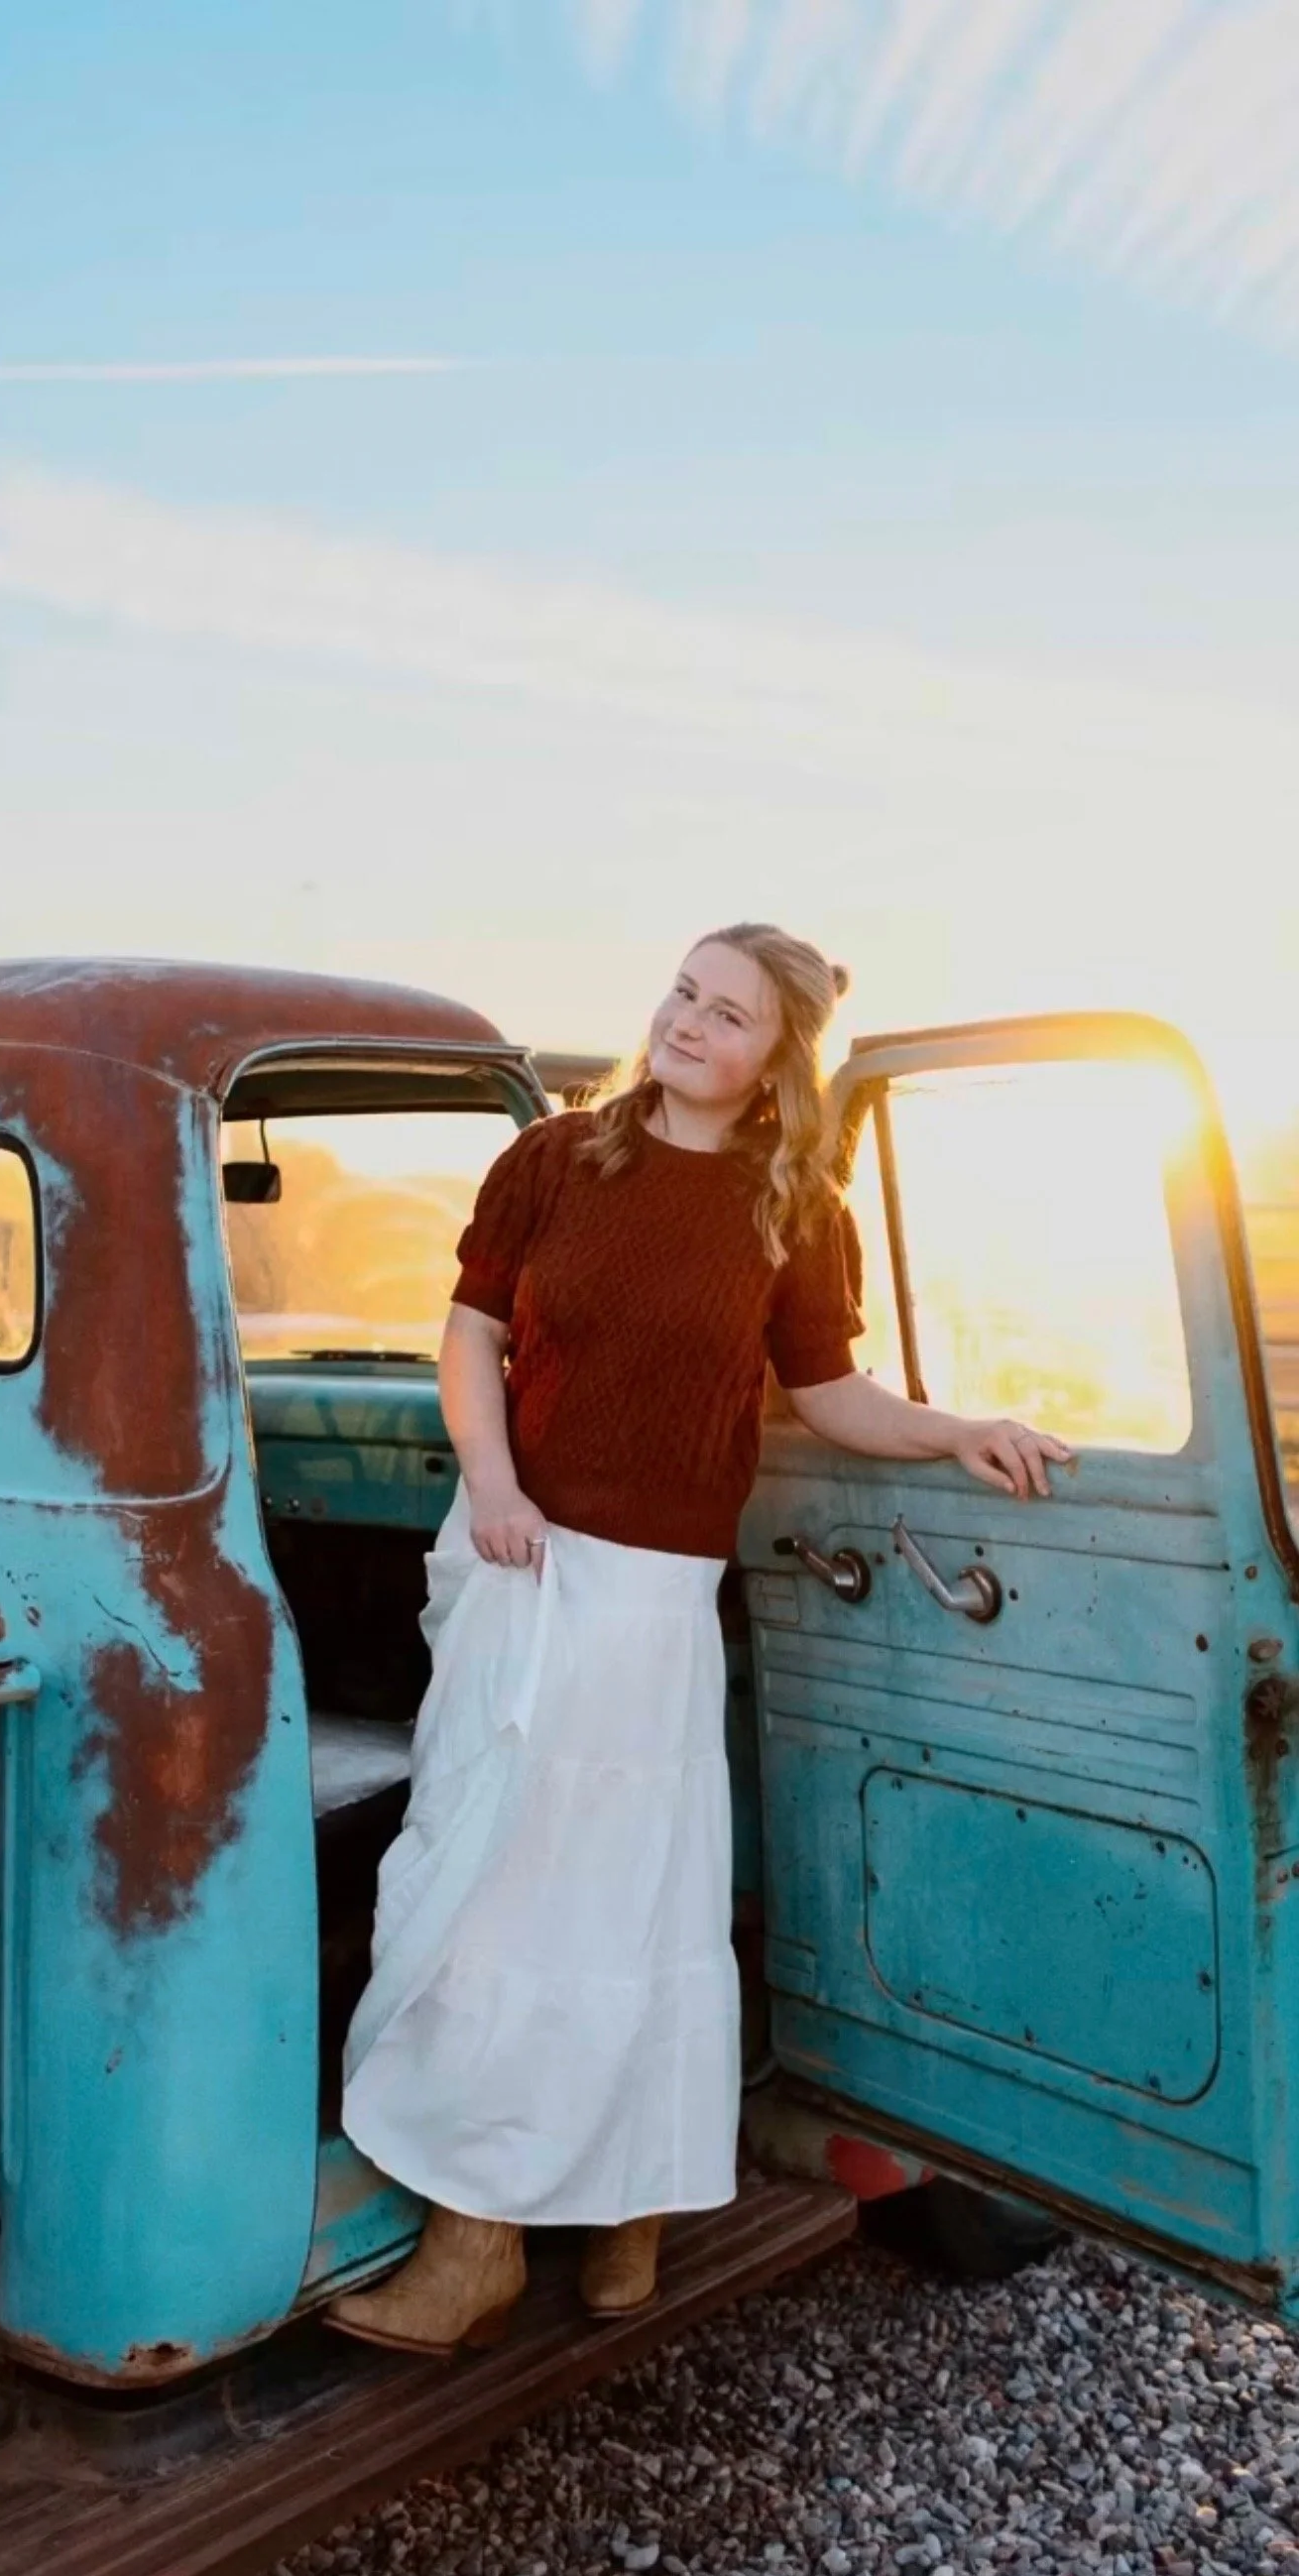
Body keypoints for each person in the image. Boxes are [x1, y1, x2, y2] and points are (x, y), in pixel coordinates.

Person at [330, 922, 1068, 2358]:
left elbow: (832, 1395)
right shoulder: (554, 1159)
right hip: (520, 1556)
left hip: (651, 1599)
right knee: (487, 1879)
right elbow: (472, 1333)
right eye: (683, 991)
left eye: (728, 1014)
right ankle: (505, 2234)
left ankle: (609, 2217)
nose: (687, 1022)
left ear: (778, 1060)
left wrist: (960, 1429)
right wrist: (494, 1479)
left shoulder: (794, 1212)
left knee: (611, 1902)